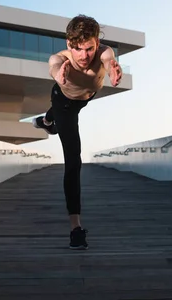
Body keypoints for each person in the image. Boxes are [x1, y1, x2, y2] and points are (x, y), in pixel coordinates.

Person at [33, 14, 122, 250]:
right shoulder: (59, 59)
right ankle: (76, 228)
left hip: (83, 99)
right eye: (77, 49)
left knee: (61, 114)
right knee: (73, 161)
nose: (84, 56)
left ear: (96, 43)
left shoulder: (103, 53)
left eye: (89, 48)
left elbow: (108, 57)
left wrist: (112, 67)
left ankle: (46, 121)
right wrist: (57, 74)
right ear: (68, 44)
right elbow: (53, 65)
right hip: (63, 100)